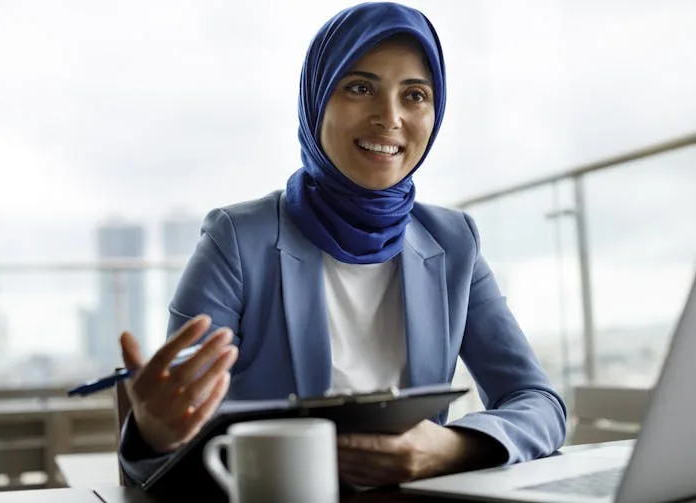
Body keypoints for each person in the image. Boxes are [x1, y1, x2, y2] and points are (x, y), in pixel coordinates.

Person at [117, 0, 567, 491]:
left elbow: (537, 402)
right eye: (359, 88)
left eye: (414, 95)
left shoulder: (454, 242)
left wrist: (450, 447)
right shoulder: (236, 240)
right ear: (316, 100)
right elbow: (174, 436)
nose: (389, 117)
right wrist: (155, 434)